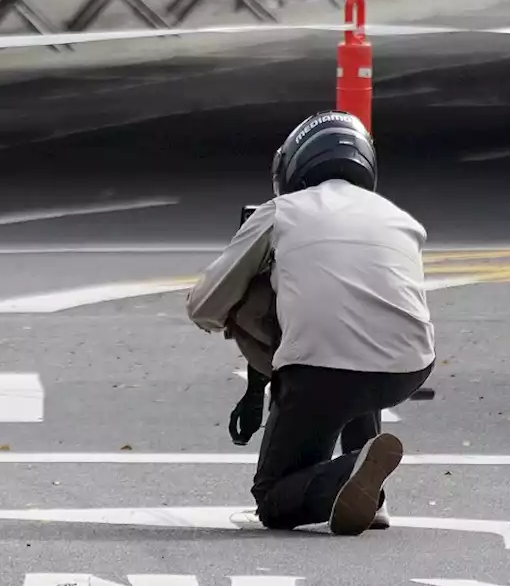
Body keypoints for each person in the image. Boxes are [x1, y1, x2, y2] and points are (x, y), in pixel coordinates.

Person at [185, 110, 435, 537]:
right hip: (407, 368)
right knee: (358, 335)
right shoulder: (399, 217)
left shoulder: (280, 211)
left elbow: (205, 304)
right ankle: (367, 484)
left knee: (274, 497)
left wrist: (260, 315)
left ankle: (347, 476)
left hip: (321, 372)